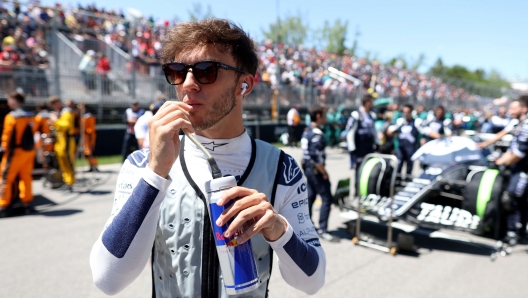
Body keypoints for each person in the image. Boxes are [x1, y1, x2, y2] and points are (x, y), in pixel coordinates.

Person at [90, 19, 325, 297]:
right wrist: (156, 173)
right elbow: (107, 279)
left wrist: (278, 229)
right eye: (177, 71)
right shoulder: (142, 163)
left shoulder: (281, 167)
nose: (188, 84)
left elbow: (312, 282)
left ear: (244, 85)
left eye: (206, 71)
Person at [301, 105, 338, 242]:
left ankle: (307, 226)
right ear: (318, 116)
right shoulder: (317, 134)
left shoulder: (307, 131)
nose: (326, 117)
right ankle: (323, 229)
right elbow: (316, 157)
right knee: (327, 198)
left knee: (310, 196)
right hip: (316, 171)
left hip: (308, 170)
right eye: (324, 114)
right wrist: (324, 172)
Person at [494, 106, 528, 245]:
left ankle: (514, 230)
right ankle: (514, 230)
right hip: (518, 168)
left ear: (524, 108)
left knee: (514, 195)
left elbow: (519, 153)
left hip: (523, 169)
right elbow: (512, 148)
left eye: (514, 108)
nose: (510, 111)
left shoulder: (526, 125)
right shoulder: (518, 123)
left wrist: (502, 163)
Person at [0, 92, 36, 217]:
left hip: (15, 152)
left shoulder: (11, 117)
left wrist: (4, 148)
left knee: (5, 178)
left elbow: (7, 134)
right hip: (29, 152)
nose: (8, 103)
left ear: (15, 100)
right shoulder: (31, 115)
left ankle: (3, 205)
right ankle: (27, 204)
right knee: (26, 178)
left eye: (10, 100)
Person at [49, 96, 76, 192]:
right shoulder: (60, 112)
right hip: (60, 141)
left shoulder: (66, 111)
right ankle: (66, 181)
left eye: (55, 104)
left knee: (68, 163)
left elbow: (66, 125)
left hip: (67, 141)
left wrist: (55, 120)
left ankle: (70, 183)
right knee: (62, 163)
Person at [345, 94, 379, 173]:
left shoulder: (372, 115)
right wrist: (352, 147)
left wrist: (377, 142)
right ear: (367, 103)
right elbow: (350, 132)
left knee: (369, 166)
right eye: (372, 102)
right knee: (360, 166)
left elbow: (374, 130)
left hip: (369, 145)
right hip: (359, 145)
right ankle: (357, 184)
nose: (373, 104)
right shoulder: (356, 115)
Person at [387, 104, 421, 180]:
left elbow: (425, 132)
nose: (406, 113)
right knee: (398, 165)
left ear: (411, 112)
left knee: (409, 167)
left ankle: (407, 183)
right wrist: (394, 134)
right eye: (404, 112)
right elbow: (389, 131)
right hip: (401, 148)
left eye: (408, 112)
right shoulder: (400, 121)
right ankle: (396, 182)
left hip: (411, 149)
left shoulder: (416, 122)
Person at [78, 103, 98, 172]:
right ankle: (91, 165)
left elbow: (91, 129)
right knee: (86, 152)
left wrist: (87, 133)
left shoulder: (89, 116)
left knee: (91, 151)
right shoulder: (82, 115)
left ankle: (94, 165)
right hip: (84, 136)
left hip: (89, 136)